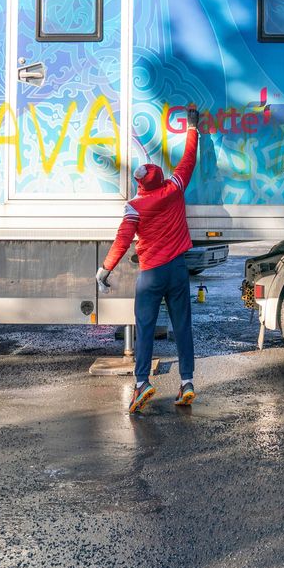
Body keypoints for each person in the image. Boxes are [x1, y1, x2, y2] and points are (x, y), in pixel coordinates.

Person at [97, 105, 199, 414]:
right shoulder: (174, 188)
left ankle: (142, 383)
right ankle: (187, 383)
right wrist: (192, 127)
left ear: (141, 184)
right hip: (178, 269)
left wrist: (105, 269)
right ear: (160, 178)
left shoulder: (135, 206)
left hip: (152, 273)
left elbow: (122, 240)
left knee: (145, 327)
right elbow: (188, 160)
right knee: (183, 326)